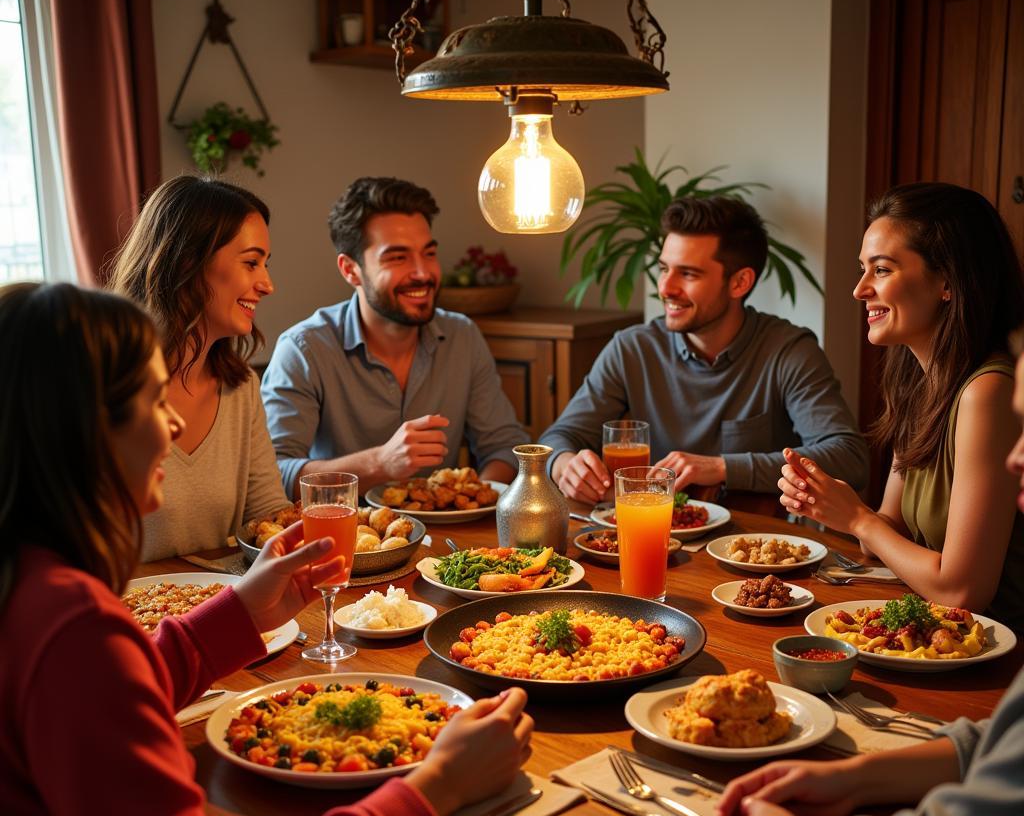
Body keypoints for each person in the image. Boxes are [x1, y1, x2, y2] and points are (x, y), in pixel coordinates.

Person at [0, 282, 533, 816]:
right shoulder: (74, 630)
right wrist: (436, 787)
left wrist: (242, 612)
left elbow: (101, 700)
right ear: (83, 427)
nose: (177, 428)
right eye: (153, 402)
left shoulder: (29, 587)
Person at [637, 330, 1024, 816]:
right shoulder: (919, 383)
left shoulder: (972, 388)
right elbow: (1001, 752)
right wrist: (857, 780)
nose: (1015, 458)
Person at [777, 182, 1024, 630]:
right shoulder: (917, 380)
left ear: (947, 280)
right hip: (938, 633)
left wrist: (857, 519)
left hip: (999, 657)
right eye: (862, 269)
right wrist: (829, 502)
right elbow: (893, 532)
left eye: (882, 270)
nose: (859, 290)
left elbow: (964, 591)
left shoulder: (985, 394)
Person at [540, 196, 869, 503]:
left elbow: (849, 458)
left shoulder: (789, 351)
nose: (666, 288)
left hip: (755, 549)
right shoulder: (632, 349)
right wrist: (563, 463)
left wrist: (723, 467)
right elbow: (558, 437)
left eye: (688, 273)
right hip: (653, 534)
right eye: (664, 268)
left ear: (740, 282)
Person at [260, 176, 530, 498]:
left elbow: (504, 446)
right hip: (342, 538)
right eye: (398, 258)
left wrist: (473, 497)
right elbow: (274, 474)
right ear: (350, 270)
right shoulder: (304, 349)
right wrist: (379, 463)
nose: (422, 272)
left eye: (428, 253)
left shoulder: (462, 336)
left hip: (446, 540)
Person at [107, 175, 293, 562]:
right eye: (251, 263)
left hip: (211, 608)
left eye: (266, 264)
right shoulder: (102, 383)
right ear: (189, 261)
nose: (267, 284)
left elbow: (267, 520)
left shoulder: (239, 388)